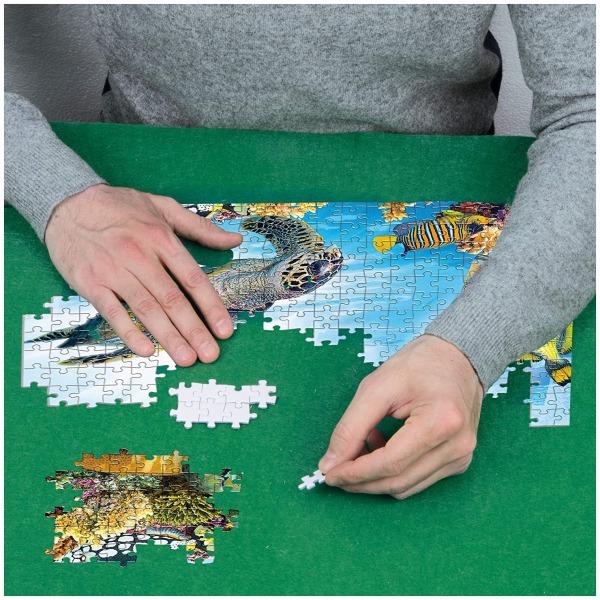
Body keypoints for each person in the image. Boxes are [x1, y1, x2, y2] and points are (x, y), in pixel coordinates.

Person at [5, 5, 595, 499]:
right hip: (143, 184)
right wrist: (56, 191)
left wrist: (472, 345)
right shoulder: (290, 262)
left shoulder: (304, 266)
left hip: (442, 178)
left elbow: (588, 112)